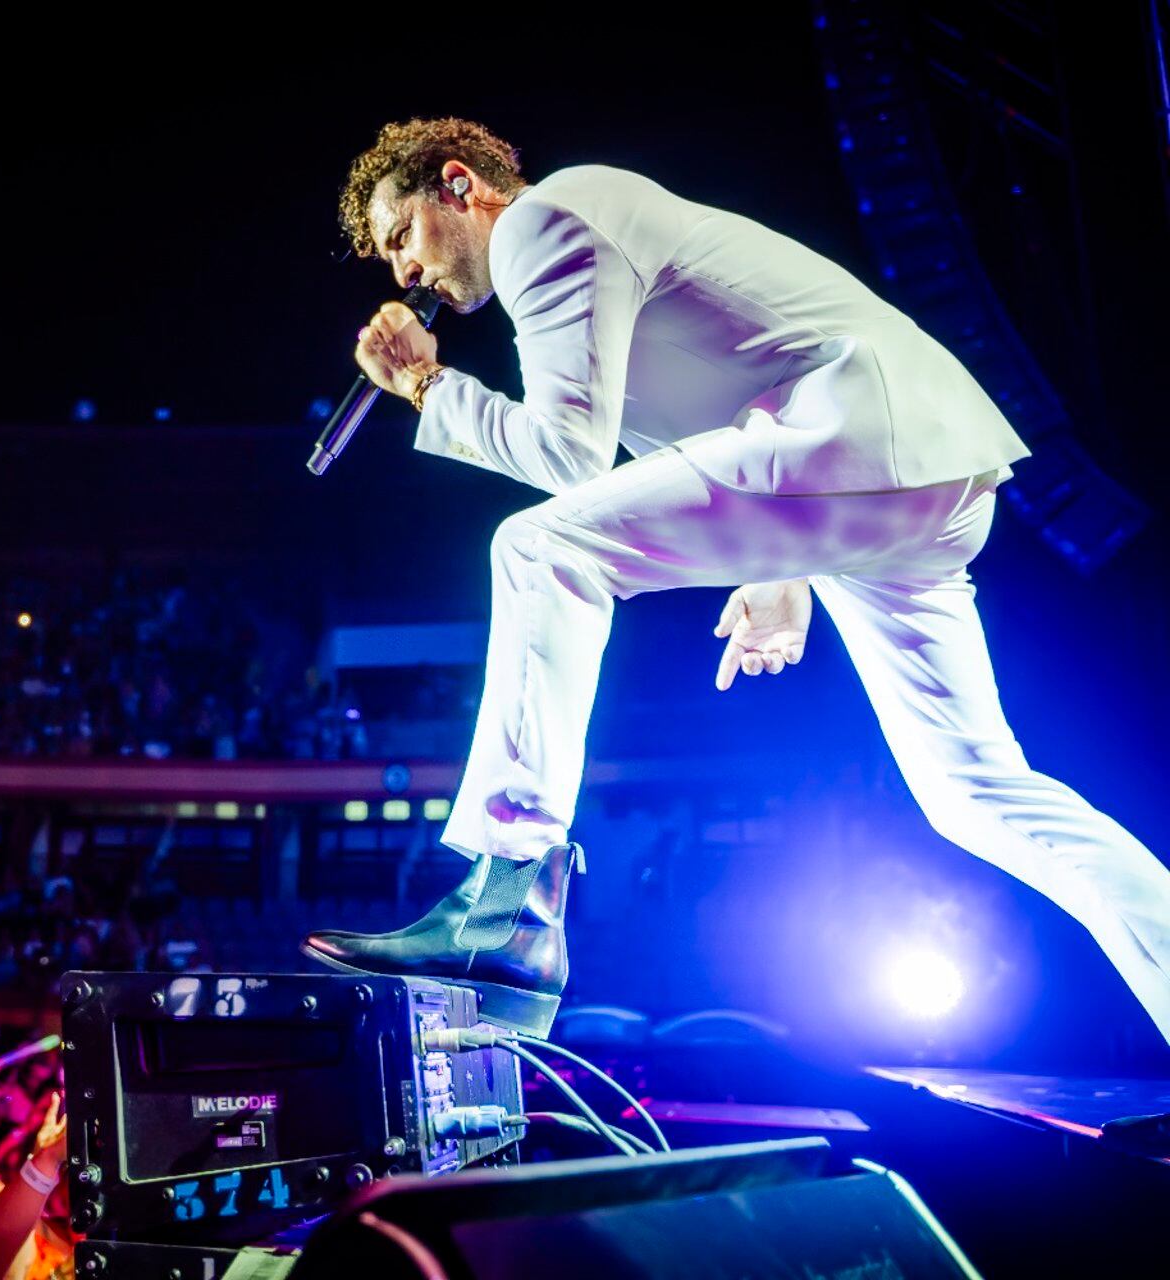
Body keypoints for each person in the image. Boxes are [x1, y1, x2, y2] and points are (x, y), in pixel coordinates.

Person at [304, 117, 1170, 1049]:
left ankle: (506, 899)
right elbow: (715, 403)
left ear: (460, 185)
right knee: (979, 793)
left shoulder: (542, 223)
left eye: (402, 238)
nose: (404, 274)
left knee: (538, 548)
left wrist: (430, 390)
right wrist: (778, 566)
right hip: (915, 470)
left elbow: (567, 454)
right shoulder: (584, 227)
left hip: (859, 438)